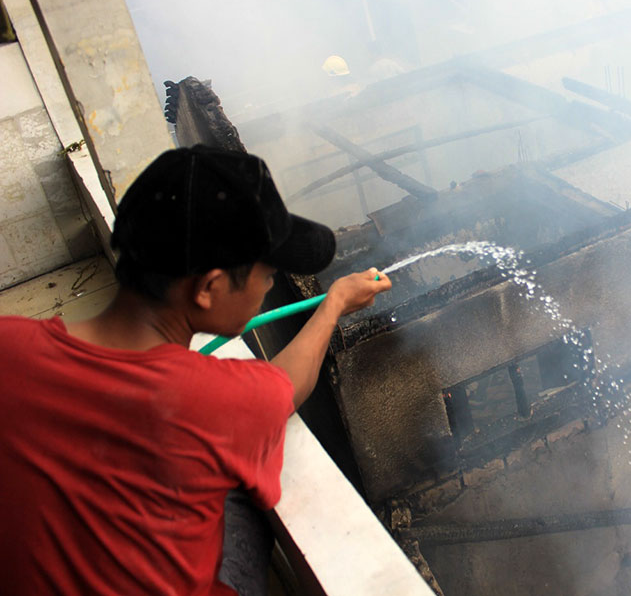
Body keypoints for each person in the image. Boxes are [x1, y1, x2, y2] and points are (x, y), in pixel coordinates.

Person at [0, 144, 391, 595]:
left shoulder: (11, 344)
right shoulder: (217, 401)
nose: (268, 286)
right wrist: (335, 304)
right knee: (245, 494)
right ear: (209, 287)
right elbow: (286, 386)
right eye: (267, 274)